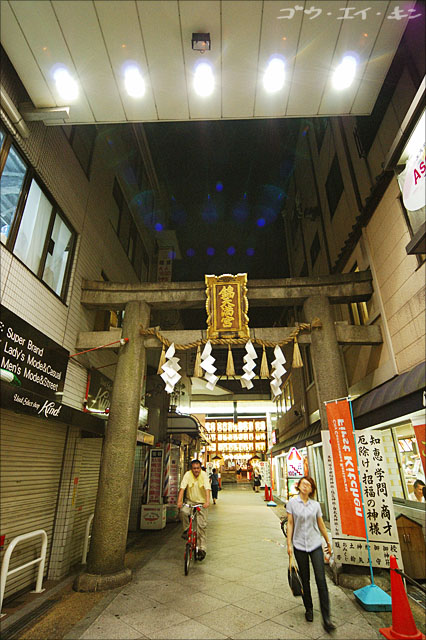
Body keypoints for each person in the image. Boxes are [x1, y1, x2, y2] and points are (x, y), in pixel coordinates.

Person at [286, 476, 336, 633]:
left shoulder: (315, 505)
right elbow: (290, 523)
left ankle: (327, 617)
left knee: (321, 579)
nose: (306, 487)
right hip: (299, 545)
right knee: (305, 579)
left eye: (309, 485)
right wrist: (289, 544)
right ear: (299, 486)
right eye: (303, 484)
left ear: (312, 489)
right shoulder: (292, 503)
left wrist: (327, 541)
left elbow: (320, 524)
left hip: (315, 544)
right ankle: (308, 608)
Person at [177, 459, 211, 560]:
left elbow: (207, 489)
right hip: (190, 501)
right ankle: (186, 529)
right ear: (191, 469)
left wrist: (207, 502)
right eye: (194, 468)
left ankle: (202, 548)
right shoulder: (187, 475)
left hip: (201, 503)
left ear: (200, 468)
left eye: (198, 468)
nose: (196, 470)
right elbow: (182, 488)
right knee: (183, 511)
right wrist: (179, 501)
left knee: (202, 526)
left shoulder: (204, 475)